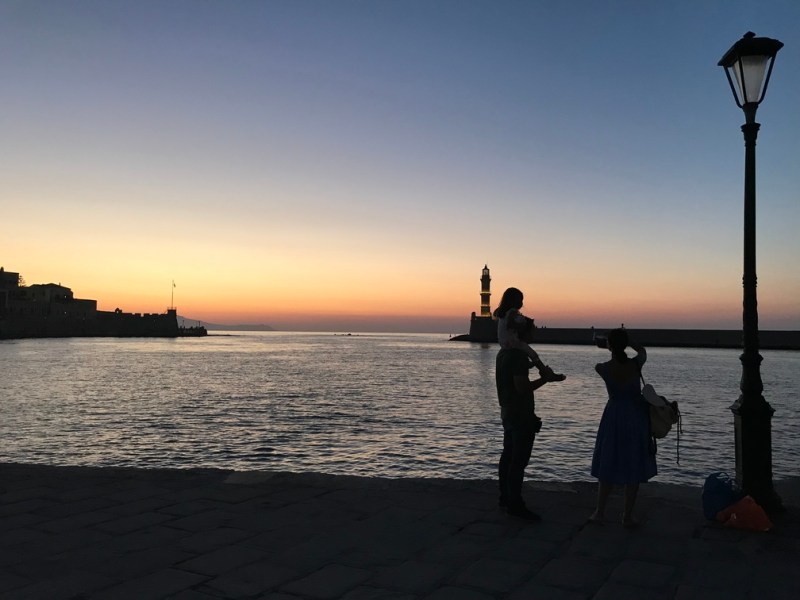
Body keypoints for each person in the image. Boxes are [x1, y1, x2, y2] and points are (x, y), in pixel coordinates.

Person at [589, 328, 656, 528]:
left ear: (609, 345)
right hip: (635, 416)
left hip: (614, 417)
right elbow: (642, 350)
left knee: (609, 460)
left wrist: (611, 344)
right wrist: (630, 341)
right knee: (633, 463)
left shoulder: (602, 368)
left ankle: (599, 512)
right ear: (625, 344)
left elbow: (612, 355)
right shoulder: (636, 364)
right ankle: (627, 515)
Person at [495, 317, 556, 521]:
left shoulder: (503, 353)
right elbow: (522, 387)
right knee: (518, 461)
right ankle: (516, 504)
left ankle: (505, 498)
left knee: (507, 457)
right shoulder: (519, 357)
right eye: (533, 330)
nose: (536, 332)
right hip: (521, 415)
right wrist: (545, 379)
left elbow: (510, 378)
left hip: (507, 412)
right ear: (524, 333)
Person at [494, 287, 565, 382]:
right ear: (513, 300)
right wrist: (521, 325)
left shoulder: (502, 313)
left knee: (527, 352)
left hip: (504, 343)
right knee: (532, 353)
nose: (522, 303)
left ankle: (529, 364)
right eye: (520, 300)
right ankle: (545, 372)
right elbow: (510, 324)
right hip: (512, 342)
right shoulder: (512, 312)